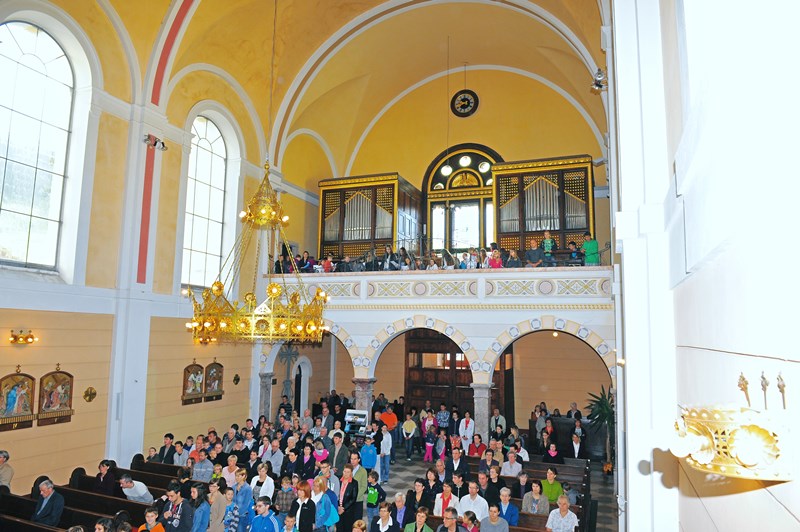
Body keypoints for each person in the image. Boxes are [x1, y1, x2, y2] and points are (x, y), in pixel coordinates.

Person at [337, 464, 359, 532]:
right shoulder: (338, 480)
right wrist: (338, 507)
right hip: (338, 509)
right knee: (339, 529)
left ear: (351, 473)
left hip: (348, 511)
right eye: (344, 471)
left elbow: (353, 498)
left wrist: (343, 508)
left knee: (347, 529)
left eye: (348, 472)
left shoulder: (354, 483)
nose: (346, 473)